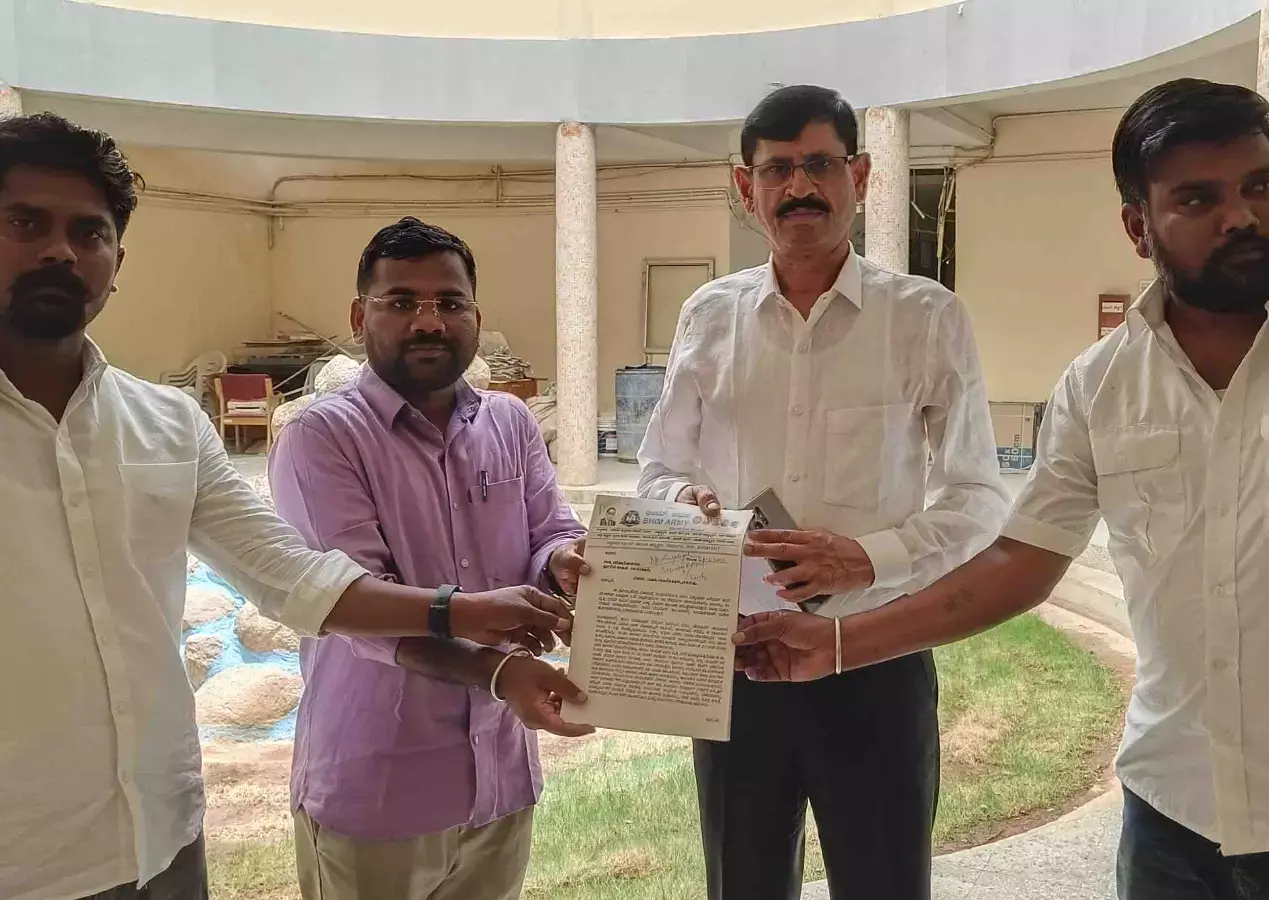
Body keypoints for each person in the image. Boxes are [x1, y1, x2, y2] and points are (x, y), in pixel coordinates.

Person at [733, 78, 1269, 900]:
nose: (1241, 216)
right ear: (1138, 226)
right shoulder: (1101, 384)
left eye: (1259, 185)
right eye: (1198, 199)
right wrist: (836, 644)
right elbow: (1018, 565)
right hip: (1171, 825)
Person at [0, 116, 571, 900]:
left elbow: (295, 581)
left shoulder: (167, 425)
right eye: (25, 223)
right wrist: (476, 633)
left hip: (158, 837)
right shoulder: (322, 434)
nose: (61, 252)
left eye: (88, 231)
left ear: (118, 261)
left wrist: (498, 599)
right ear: (359, 316)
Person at [638, 85, 1006, 900]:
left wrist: (867, 560)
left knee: (884, 883)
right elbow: (659, 470)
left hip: (874, 657)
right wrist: (689, 511)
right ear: (747, 188)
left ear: (860, 176)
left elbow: (978, 497)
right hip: (739, 662)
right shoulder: (709, 315)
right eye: (777, 170)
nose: (799, 187)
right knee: (743, 882)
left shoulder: (925, 317)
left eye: (819, 165)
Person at [269, 217, 595, 900]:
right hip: (378, 787)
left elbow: (549, 533)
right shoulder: (321, 438)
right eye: (401, 302)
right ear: (359, 316)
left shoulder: (510, 422)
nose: (429, 321)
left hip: (500, 775)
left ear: (476, 315)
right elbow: (359, 610)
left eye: (450, 302)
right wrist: (499, 671)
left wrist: (564, 562)